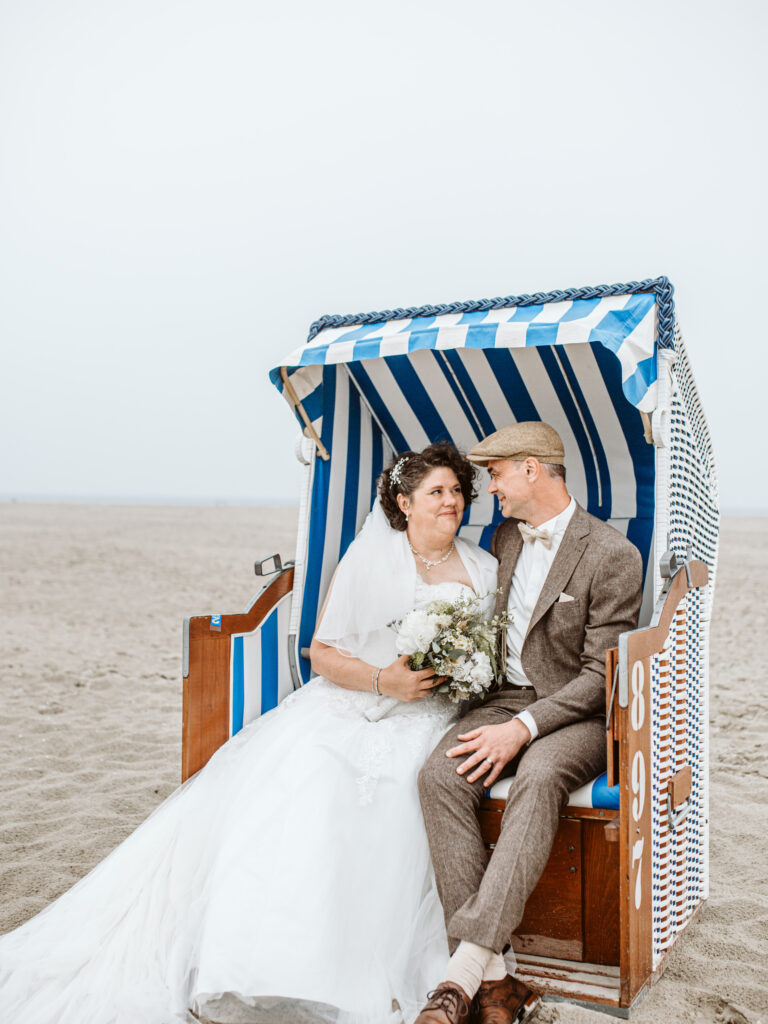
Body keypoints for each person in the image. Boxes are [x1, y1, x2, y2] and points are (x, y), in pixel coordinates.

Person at [0, 442, 498, 1024]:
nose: (451, 502)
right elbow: (322, 654)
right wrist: (384, 681)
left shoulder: (483, 569)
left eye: (458, 491)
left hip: (433, 717)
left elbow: (489, 654)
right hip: (358, 698)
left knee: (402, 787)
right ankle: (270, 962)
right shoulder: (369, 560)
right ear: (403, 501)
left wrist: (465, 676)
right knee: (312, 772)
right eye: (437, 491)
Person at [415, 423, 644, 1024]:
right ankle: (496, 982)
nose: (489, 487)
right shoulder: (506, 539)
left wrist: (523, 728)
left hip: (577, 713)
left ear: (531, 469)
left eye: (495, 474)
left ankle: (459, 977)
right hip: (502, 697)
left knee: (540, 774)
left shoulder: (613, 554)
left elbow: (600, 678)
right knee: (439, 776)